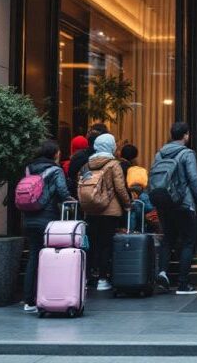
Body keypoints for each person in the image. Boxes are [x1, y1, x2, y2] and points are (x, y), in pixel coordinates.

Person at [155, 122, 197, 295]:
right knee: (188, 241)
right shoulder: (187, 154)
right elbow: (193, 179)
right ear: (185, 135)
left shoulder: (160, 153)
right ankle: (183, 284)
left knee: (167, 240)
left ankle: (162, 273)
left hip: (165, 203)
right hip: (184, 203)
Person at [21, 140, 72, 313]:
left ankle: (29, 301)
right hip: (47, 218)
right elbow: (63, 192)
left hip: (29, 217)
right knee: (49, 258)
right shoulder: (55, 170)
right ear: (54, 153)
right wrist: (72, 200)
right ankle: (47, 296)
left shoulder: (29, 168)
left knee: (33, 257)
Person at [81, 132, 131, 291]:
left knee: (92, 244)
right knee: (106, 244)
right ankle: (103, 278)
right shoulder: (113, 164)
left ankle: (88, 277)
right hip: (109, 210)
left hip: (91, 209)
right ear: (111, 146)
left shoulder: (87, 164)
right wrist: (127, 204)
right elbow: (120, 188)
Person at [68, 123, 108, 195]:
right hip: (102, 198)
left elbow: (71, 177)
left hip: (79, 195)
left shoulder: (77, 156)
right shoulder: (108, 160)